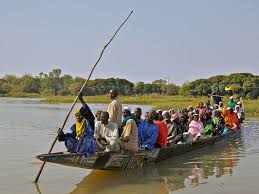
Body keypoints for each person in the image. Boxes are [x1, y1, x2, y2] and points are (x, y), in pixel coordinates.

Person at [58, 92, 96, 156]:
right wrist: (61, 135)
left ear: (83, 116)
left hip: (89, 144)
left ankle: (80, 151)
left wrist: (81, 99)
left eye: (79, 115)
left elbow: (88, 112)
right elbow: (70, 135)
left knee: (83, 136)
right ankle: (73, 150)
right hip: (80, 145)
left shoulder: (89, 122)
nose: (78, 117)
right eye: (76, 116)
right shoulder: (75, 126)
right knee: (67, 136)